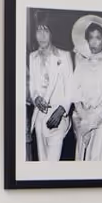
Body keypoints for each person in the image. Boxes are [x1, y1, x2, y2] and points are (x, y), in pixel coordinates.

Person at [69, 15, 102, 162]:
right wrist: (84, 118)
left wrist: (92, 122)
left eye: (98, 37)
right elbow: (75, 94)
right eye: (91, 37)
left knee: (100, 159)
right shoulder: (81, 65)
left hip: (101, 122)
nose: (94, 41)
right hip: (82, 119)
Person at [26, 19, 73, 161]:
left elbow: (70, 88)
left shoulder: (64, 56)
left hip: (57, 118)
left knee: (53, 163)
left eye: (45, 30)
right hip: (39, 117)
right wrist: (36, 98)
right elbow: (32, 86)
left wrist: (61, 110)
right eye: (38, 31)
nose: (42, 35)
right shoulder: (32, 57)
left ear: (52, 34)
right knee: (42, 161)